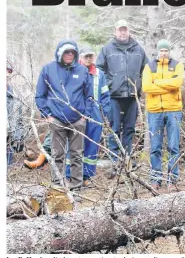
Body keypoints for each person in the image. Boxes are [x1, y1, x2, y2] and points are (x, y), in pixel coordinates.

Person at [35, 39, 93, 190]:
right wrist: (47, 114)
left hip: (77, 121)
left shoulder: (82, 70)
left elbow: (89, 96)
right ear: (60, 53)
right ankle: (58, 187)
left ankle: (76, 187)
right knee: (57, 155)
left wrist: (84, 115)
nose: (69, 54)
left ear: (75, 54)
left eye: (72, 52)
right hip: (57, 120)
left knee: (77, 155)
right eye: (66, 52)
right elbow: (40, 95)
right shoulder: (48, 69)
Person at [96, 19, 149, 179]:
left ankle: (127, 162)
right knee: (114, 129)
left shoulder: (138, 49)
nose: (123, 32)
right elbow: (99, 68)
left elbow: (145, 69)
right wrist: (110, 82)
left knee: (129, 130)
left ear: (129, 31)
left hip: (132, 96)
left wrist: (138, 85)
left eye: (125, 30)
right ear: (115, 31)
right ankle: (114, 163)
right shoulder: (107, 49)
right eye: (120, 30)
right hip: (114, 96)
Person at [142, 39, 184, 190]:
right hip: (155, 111)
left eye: (166, 50)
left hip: (173, 110)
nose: (164, 53)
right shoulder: (149, 66)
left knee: (173, 146)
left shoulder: (177, 65)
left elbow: (177, 84)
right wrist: (167, 85)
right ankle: (156, 179)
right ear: (157, 51)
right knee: (155, 147)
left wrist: (157, 82)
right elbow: (146, 87)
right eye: (162, 50)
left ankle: (172, 180)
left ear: (169, 51)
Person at [65, 47, 111, 187]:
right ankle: (70, 175)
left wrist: (103, 113)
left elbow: (105, 96)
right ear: (80, 57)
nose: (88, 59)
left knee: (92, 147)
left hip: (95, 116)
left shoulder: (99, 74)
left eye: (90, 56)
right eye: (86, 56)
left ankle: (87, 176)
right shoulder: (72, 71)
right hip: (77, 115)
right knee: (74, 146)